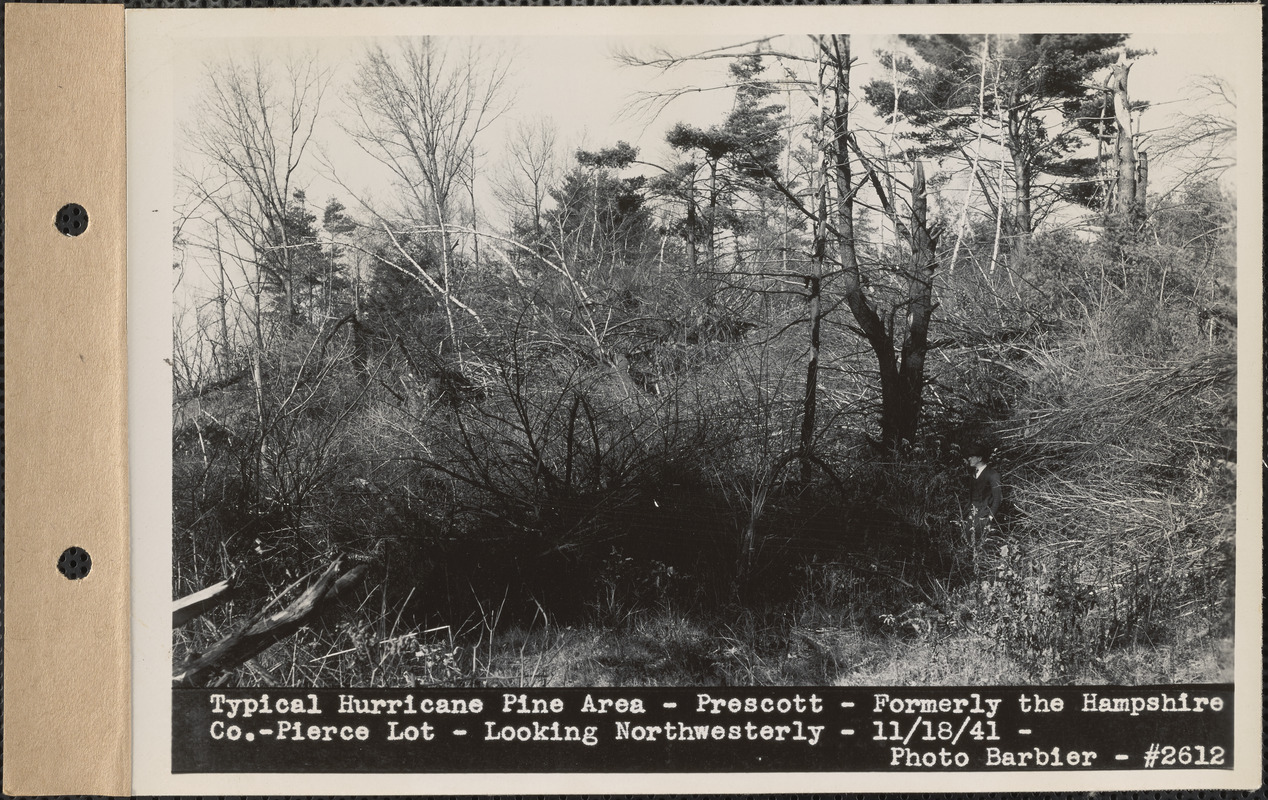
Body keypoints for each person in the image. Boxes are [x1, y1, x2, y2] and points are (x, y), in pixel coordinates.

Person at [964, 448, 1002, 547]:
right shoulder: (973, 474)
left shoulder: (993, 475)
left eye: (972, 456)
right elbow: (971, 497)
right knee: (970, 545)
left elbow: (998, 498)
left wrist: (990, 517)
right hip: (971, 515)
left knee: (983, 546)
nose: (969, 459)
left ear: (980, 458)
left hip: (984, 516)